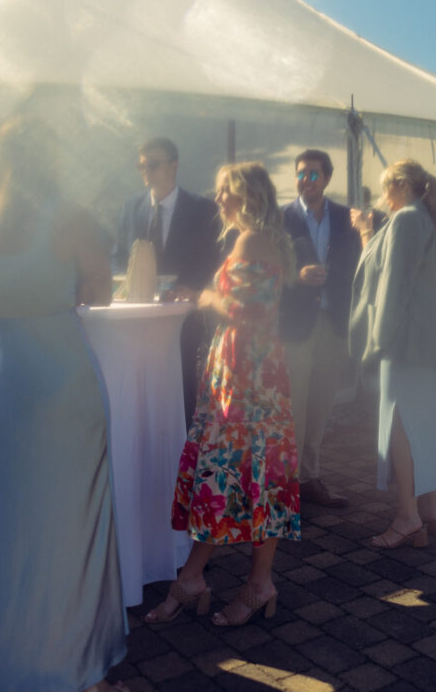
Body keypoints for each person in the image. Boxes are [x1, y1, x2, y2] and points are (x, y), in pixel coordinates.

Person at [0, 116, 128, 692]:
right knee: (74, 526)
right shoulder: (70, 216)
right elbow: (100, 291)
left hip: (9, 384)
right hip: (64, 387)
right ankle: (78, 669)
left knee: (16, 526)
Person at [144, 162, 300, 628]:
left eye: (223, 193)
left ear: (245, 196)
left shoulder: (252, 240)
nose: (217, 202)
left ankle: (244, 583)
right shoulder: (259, 239)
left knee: (239, 475)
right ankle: (207, 579)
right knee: (247, 476)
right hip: (247, 371)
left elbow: (245, 309)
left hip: (249, 378)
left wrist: (204, 297)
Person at [350, 159, 436, 549]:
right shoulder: (427, 217)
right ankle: (429, 509)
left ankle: (407, 516)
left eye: (385, 188)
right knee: (424, 422)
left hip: (402, 340)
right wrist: (369, 233)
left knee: (400, 426)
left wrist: (376, 343)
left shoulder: (408, 219)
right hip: (423, 341)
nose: (381, 197)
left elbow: (392, 287)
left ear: (401, 186)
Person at [111, 137, 223, 423]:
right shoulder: (131, 207)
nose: (145, 170)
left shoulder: (202, 209)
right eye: (141, 165)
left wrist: (191, 288)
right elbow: (118, 256)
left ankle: (180, 458)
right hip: (137, 322)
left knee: (181, 390)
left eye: (153, 164)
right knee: (141, 392)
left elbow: (211, 259)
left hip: (181, 320)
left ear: (174, 167)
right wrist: (124, 285)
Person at [279, 149, 361, 509]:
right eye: (300, 173)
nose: (305, 180)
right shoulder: (281, 218)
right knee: (292, 406)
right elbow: (267, 269)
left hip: (334, 322)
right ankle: (286, 485)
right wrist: (295, 277)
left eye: (313, 174)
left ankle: (310, 477)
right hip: (296, 325)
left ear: (327, 178)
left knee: (320, 405)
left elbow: (360, 263)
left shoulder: (347, 218)